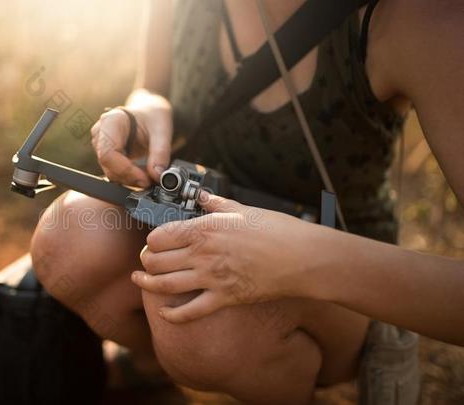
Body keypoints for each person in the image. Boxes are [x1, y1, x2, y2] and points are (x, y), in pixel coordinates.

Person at [30, 0, 463, 403]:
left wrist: (296, 257)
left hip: (345, 279)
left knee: (196, 323)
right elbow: (149, 87)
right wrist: (142, 113)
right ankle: (154, 368)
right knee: (66, 236)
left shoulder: (420, 19)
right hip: (197, 223)